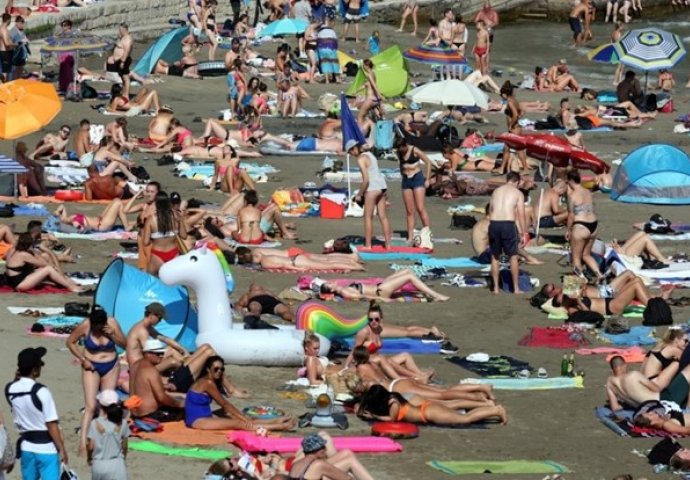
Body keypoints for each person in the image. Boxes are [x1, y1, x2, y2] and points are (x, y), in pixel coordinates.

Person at [66, 305, 126, 456]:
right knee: (91, 406)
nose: (99, 329)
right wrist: (82, 359)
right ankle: (82, 444)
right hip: (91, 366)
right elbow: (70, 342)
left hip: (111, 365)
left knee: (107, 403)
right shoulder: (86, 325)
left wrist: (113, 335)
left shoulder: (111, 324)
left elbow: (124, 344)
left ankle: (101, 440)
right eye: (97, 326)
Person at [5, 347, 69, 478]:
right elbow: (51, 425)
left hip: (26, 447)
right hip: (46, 448)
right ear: (34, 371)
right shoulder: (41, 391)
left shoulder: (9, 389)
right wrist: (61, 449)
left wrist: (16, 377)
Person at [185, 356, 296, 431]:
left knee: (239, 417)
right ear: (208, 369)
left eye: (222, 369)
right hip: (197, 420)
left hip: (203, 415)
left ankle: (276, 420)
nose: (219, 371)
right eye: (216, 369)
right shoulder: (208, 383)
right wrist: (243, 418)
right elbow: (224, 404)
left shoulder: (208, 381)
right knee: (239, 423)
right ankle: (281, 426)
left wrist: (242, 417)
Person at [343, 302, 434, 382]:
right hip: (368, 362)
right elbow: (354, 350)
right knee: (384, 359)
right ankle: (406, 379)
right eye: (370, 320)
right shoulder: (364, 332)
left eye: (376, 319)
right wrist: (345, 367)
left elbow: (403, 331)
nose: (373, 322)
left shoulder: (378, 330)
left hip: (379, 361)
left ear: (381, 318)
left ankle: (420, 374)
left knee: (405, 355)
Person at [357, 385, 508, 426]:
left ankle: (496, 410)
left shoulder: (393, 404)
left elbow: (391, 420)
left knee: (465, 419)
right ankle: (491, 409)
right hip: (426, 410)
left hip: (427, 413)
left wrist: (374, 416)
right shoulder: (391, 397)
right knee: (458, 412)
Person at [3, 233, 85, 293]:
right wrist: (44, 250)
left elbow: (6, 258)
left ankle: (66, 280)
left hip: (12, 279)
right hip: (19, 284)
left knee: (45, 258)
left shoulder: (12, 250)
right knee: (48, 269)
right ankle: (70, 286)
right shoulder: (24, 255)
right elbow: (44, 264)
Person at [488, 172, 528, 294]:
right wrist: (523, 232)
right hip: (507, 224)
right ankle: (516, 288)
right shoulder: (517, 193)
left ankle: (495, 288)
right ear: (517, 181)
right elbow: (521, 214)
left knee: (495, 257)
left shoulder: (496, 191)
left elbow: (490, 210)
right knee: (513, 257)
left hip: (494, 223)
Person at [128, 339, 185, 421]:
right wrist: (179, 404)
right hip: (149, 415)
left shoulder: (135, 365)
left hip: (134, 414)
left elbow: (142, 386)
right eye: (158, 354)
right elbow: (162, 398)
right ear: (147, 354)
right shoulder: (151, 370)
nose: (161, 356)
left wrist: (164, 386)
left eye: (162, 353)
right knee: (186, 409)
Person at [349, 141, 392, 250]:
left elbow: (366, 180)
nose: (351, 154)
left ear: (355, 149)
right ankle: (388, 244)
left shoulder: (360, 159)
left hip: (372, 188)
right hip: (382, 186)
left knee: (368, 217)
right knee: (383, 216)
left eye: (350, 151)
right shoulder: (370, 154)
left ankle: (368, 245)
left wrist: (359, 194)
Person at [318, 268, 450, 303]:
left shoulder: (344, 288)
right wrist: (383, 299)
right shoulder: (345, 292)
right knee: (409, 277)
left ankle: (424, 288)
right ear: (331, 289)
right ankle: (435, 295)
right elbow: (363, 297)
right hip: (381, 291)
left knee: (407, 272)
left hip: (380, 285)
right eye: (329, 283)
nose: (332, 281)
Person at [125, 302, 190, 372]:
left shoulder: (146, 327)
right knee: (172, 361)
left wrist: (183, 349)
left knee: (171, 350)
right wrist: (163, 359)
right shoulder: (142, 331)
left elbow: (164, 338)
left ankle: (188, 363)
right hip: (138, 370)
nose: (160, 321)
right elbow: (149, 356)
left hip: (141, 364)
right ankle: (188, 369)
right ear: (152, 315)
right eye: (160, 318)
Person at [606, 356, 690, 410]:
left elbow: (615, 408)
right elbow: (657, 389)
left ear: (612, 369)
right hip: (666, 400)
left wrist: (627, 402)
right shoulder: (634, 375)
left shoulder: (609, 383)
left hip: (651, 410)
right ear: (624, 365)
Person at [289, 432, 374, 480]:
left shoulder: (295, 465)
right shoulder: (319, 464)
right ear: (321, 450)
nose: (326, 450)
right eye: (324, 447)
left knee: (347, 456)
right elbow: (346, 478)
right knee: (350, 466)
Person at [566, 169, 601, 280]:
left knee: (576, 258)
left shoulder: (572, 195)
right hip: (593, 225)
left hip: (581, 225)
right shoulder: (588, 191)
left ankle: (580, 282)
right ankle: (599, 275)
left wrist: (568, 230)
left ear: (570, 180)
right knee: (586, 255)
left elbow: (571, 215)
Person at [395, 138, 431, 243]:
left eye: (402, 148)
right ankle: (410, 237)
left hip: (417, 178)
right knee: (410, 211)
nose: (401, 150)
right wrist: (403, 173)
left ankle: (427, 232)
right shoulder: (399, 152)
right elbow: (401, 164)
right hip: (406, 180)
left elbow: (428, 162)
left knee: (420, 208)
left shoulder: (414, 150)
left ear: (406, 145)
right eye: (399, 149)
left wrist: (427, 179)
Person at [86, 391, 129, 480]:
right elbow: (124, 445)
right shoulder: (122, 423)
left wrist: (89, 458)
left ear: (101, 405)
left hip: (99, 464)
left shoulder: (94, 423)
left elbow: (90, 446)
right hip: (117, 464)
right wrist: (123, 457)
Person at [142, 193, 187, 275]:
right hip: (174, 253)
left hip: (157, 255)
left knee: (150, 282)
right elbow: (184, 236)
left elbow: (146, 242)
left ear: (156, 203)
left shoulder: (151, 219)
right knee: (177, 282)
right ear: (168, 203)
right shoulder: (176, 216)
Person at [234, 246, 365, 271]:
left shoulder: (261, 259)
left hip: (293, 258)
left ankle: (353, 262)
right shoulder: (258, 251)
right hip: (292, 253)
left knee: (326, 262)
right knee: (324, 259)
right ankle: (350, 258)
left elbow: (282, 265)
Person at [499, 83, 529, 173]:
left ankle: (525, 168)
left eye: (501, 95)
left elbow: (515, 115)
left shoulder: (510, 101)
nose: (501, 97)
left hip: (514, 129)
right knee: (508, 148)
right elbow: (521, 111)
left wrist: (510, 125)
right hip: (517, 128)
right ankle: (501, 169)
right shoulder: (514, 100)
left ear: (504, 94)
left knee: (516, 149)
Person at [54, 202, 131, 232]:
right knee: (118, 203)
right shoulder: (74, 222)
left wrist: (57, 211)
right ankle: (126, 226)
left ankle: (127, 223)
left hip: (101, 220)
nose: (62, 215)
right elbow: (81, 229)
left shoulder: (69, 218)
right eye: (61, 216)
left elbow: (62, 206)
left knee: (115, 200)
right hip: (101, 225)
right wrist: (80, 227)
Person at [356, 59, 384, 125]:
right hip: (376, 99)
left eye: (363, 66)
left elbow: (374, 86)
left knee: (360, 116)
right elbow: (369, 84)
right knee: (377, 116)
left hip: (370, 99)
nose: (363, 67)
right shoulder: (373, 73)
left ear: (367, 66)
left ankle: (360, 132)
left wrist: (380, 95)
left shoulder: (369, 75)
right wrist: (357, 90)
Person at [112, 22, 133, 98]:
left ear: (124, 29)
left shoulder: (128, 38)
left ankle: (126, 95)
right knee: (122, 77)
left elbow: (126, 51)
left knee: (125, 77)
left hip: (124, 60)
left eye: (120, 30)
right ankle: (124, 92)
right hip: (119, 60)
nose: (119, 31)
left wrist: (122, 62)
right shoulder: (123, 37)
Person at [0, 13, 13, 81]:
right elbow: (6, 43)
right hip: (6, 53)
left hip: (2, 52)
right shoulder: (4, 30)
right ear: (8, 20)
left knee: (3, 72)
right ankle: (4, 89)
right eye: (10, 20)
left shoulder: (1, 28)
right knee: (5, 74)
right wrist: (14, 44)